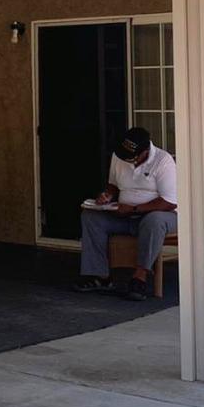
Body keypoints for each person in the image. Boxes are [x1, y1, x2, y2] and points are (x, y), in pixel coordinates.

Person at [74, 126, 177, 302]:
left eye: (133, 157)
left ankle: (140, 277)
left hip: (158, 214)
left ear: (145, 151)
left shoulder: (163, 161)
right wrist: (107, 196)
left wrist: (134, 209)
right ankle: (100, 276)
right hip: (124, 214)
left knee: (154, 220)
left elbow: (168, 201)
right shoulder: (119, 156)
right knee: (91, 217)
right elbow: (113, 184)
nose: (129, 161)